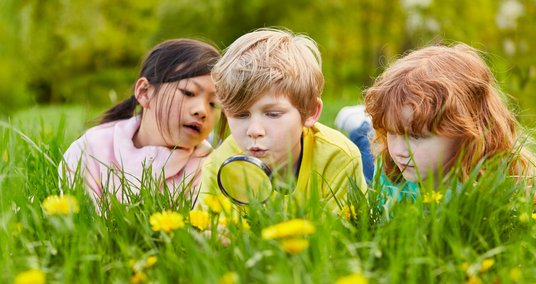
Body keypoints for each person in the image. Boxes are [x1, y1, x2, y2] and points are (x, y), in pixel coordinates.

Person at [338, 43, 536, 202]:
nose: (399, 150)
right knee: (366, 154)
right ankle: (362, 125)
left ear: (465, 131)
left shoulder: (491, 185)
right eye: (392, 131)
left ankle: (364, 125)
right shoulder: (390, 169)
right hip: (377, 160)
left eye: (416, 135)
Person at [197, 28, 367, 211]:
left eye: (272, 114)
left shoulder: (338, 157)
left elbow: (342, 233)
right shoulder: (218, 165)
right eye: (240, 114)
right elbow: (207, 229)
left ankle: (363, 127)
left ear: (310, 111)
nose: (254, 130)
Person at [59, 39, 222, 204]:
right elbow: (77, 218)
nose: (202, 111)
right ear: (144, 92)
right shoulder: (90, 150)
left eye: (213, 104)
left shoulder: (210, 167)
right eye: (188, 93)